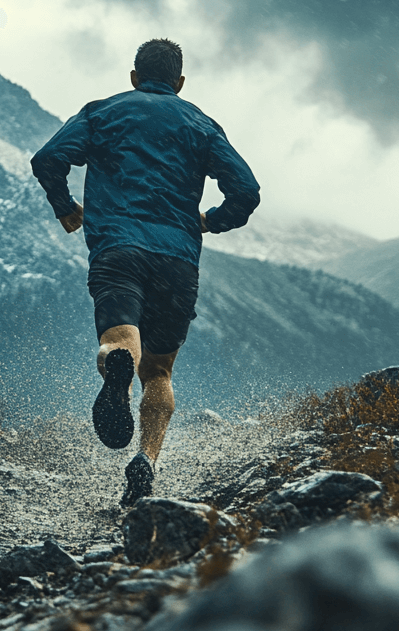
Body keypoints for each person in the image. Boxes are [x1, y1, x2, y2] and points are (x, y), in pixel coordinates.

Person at [30, 38, 260, 507]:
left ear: (134, 76)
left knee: (119, 337)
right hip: (177, 260)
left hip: (117, 247)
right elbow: (247, 190)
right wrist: (210, 221)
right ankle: (146, 461)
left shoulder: (104, 111)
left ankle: (117, 364)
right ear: (179, 82)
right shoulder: (201, 124)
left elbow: (47, 159)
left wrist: (65, 206)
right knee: (160, 371)